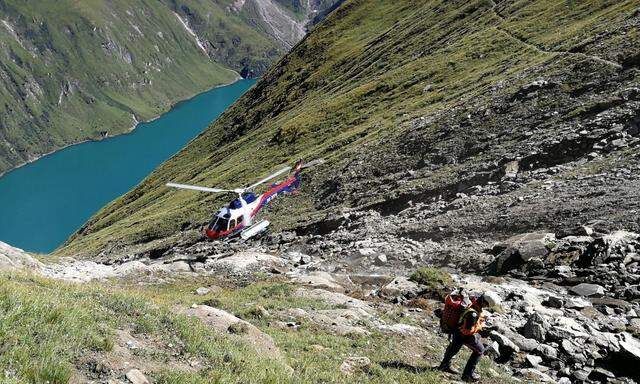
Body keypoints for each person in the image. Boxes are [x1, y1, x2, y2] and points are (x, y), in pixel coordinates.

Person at [438, 293, 487, 382]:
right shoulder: (473, 313)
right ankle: (467, 375)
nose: (486, 307)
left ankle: (444, 365)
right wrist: (479, 327)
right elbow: (467, 331)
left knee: (454, 346)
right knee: (480, 350)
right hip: (463, 334)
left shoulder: (472, 302)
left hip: (456, 329)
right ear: (484, 302)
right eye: (487, 305)